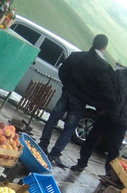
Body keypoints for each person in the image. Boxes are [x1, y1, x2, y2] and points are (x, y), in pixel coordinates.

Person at [38, 34, 118, 168]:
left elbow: (63, 71)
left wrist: (67, 85)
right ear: (104, 47)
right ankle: (55, 153)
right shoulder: (103, 67)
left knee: (53, 118)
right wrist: (98, 103)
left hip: (68, 92)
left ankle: (43, 144)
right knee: (69, 127)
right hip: (81, 100)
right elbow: (105, 90)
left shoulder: (77, 56)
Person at [71, 51, 127, 174]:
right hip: (107, 115)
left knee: (113, 151)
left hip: (122, 122)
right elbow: (105, 90)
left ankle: (108, 175)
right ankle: (81, 164)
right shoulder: (119, 74)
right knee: (91, 140)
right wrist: (101, 109)